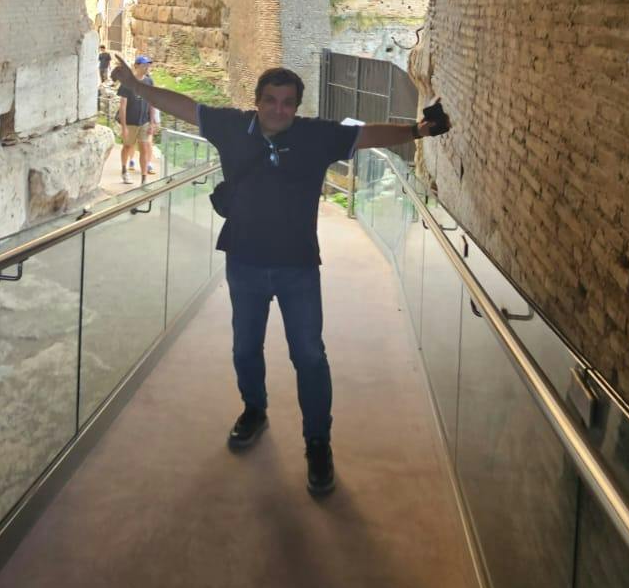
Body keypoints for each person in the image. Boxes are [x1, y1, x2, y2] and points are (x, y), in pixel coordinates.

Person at [110, 54, 447, 495]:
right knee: (245, 347)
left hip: (298, 266)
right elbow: (185, 106)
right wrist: (136, 87)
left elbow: (367, 134)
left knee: (309, 355)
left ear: (296, 106)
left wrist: (417, 131)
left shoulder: (315, 135)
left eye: (288, 103)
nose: (278, 110)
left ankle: (318, 442)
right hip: (245, 261)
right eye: (270, 100)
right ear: (257, 101)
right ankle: (254, 409)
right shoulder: (234, 127)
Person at [118, 53, 160, 182]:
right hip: (130, 121)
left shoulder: (149, 81)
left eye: (148, 65)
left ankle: (144, 179)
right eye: (144, 65)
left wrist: (152, 122)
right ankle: (124, 170)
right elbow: (123, 106)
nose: (147, 68)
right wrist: (124, 127)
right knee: (127, 146)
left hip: (144, 121)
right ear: (136, 66)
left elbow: (152, 102)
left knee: (144, 148)